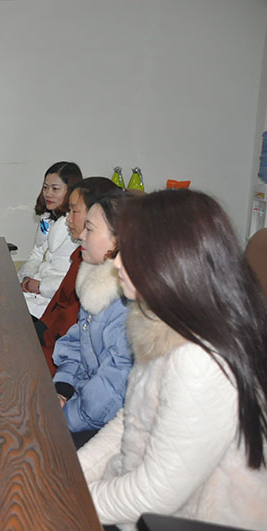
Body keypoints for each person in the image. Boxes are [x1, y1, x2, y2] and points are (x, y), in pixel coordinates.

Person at [78, 189, 267, 530]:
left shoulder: (200, 361)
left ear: (169, 261)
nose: (116, 263)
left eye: (130, 252)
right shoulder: (162, 322)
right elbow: (129, 420)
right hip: (141, 507)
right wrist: (70, 476)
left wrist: (69, 498)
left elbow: (155, 495)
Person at [52, 191, 132, 449]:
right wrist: (62, 388)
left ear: (117, 240)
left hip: (109, 423)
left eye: (90, 229)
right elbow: (76, 342)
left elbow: (111, 390)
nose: (82, 236)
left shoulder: (125, 304)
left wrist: (65, 416)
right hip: (83, 405)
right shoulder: (96, 282)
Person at [36, 177, 121, 375]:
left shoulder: (109, 283)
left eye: (74, 211)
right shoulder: (81, 257)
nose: (68, 218)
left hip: (59, 354)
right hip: (56, 342)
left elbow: (69, 331)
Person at [18, 161, 83, 318]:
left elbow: (73, 282)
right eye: (45, 187)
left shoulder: (77, 226)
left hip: (54, 301)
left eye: (55, 189)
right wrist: (27, 277)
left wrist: (40, 286)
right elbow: (36, 254)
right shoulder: (47, 217)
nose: (48, 194)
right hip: (35, 293)